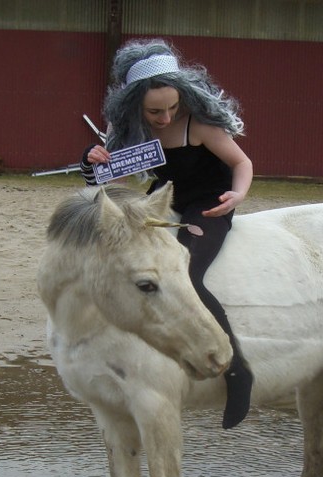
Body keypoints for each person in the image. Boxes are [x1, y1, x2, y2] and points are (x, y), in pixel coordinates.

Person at [80, 39, 254, 430]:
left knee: (187, 276)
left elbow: (242, 163)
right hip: (163, 201)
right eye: (154, 111)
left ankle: (237, 370)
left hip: (209, 203)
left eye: (172, 108)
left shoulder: (200, 123)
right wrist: (94, 162)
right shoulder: (131, 130)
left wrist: (238, 194)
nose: (165, 117)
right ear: (135, 105)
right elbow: (113, 185)